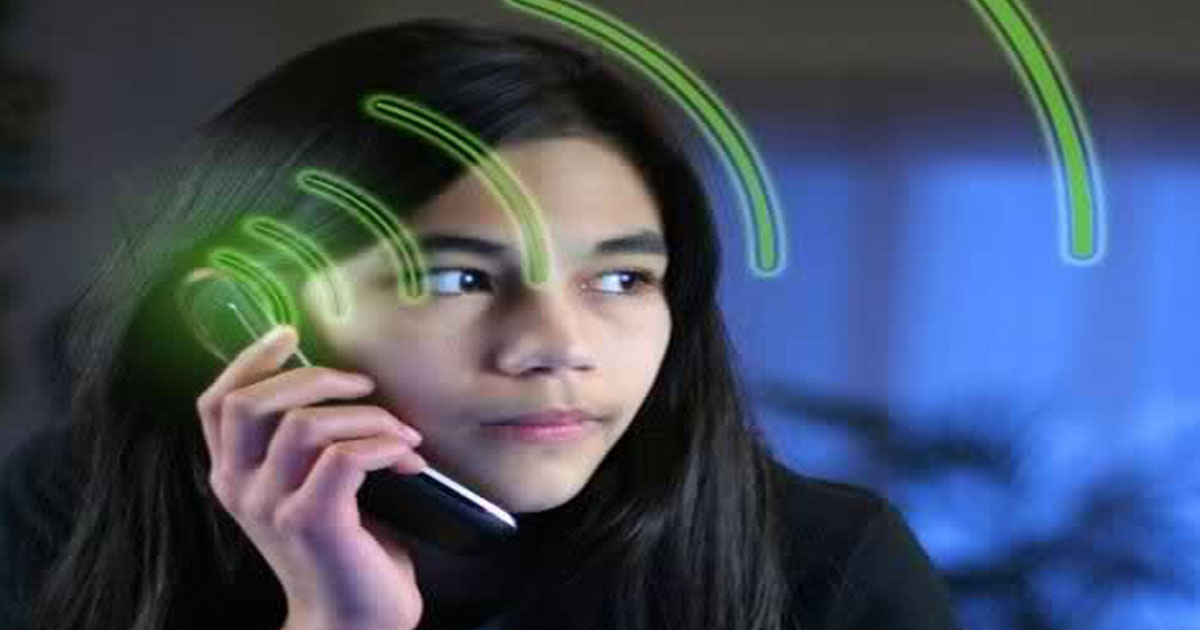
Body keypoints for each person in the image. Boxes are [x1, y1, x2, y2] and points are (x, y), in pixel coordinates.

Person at [0, 17, 961, 630]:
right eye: (458, 277)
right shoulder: (68, 517)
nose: (560, 346)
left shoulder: (826, 571)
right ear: (239, 313)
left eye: (621, 279)